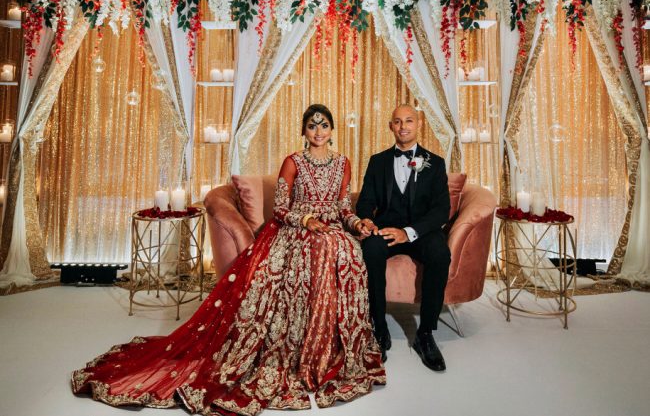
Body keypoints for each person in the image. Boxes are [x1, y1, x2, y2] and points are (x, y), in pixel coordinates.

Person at [72, 104, 385, 415]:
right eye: (312, 125)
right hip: (296, 230)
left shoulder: (343, 163)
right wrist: (305, 221)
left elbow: (344, 208)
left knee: (348, 251)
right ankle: (299, 352)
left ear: (332, 130)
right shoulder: (293, 162)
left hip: (331, 230)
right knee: (324, 248)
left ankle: (329, 351)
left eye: (324, 125)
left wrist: (357, 223)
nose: (318, 131)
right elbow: (280, 209)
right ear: (303, 131)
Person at [356, 104, 451, 372]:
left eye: (409, 121)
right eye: (397, 121)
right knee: (370, 249)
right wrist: (367, 220)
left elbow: (441, 210)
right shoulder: (378, 161)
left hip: (421, 232)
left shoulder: (435, 163)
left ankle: (425, 334)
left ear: (418, 124)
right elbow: (365, 202)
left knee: (440, 253)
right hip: (386, 229)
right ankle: (379, 328)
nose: (403, 126)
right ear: (391, 126)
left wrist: (408, 232)